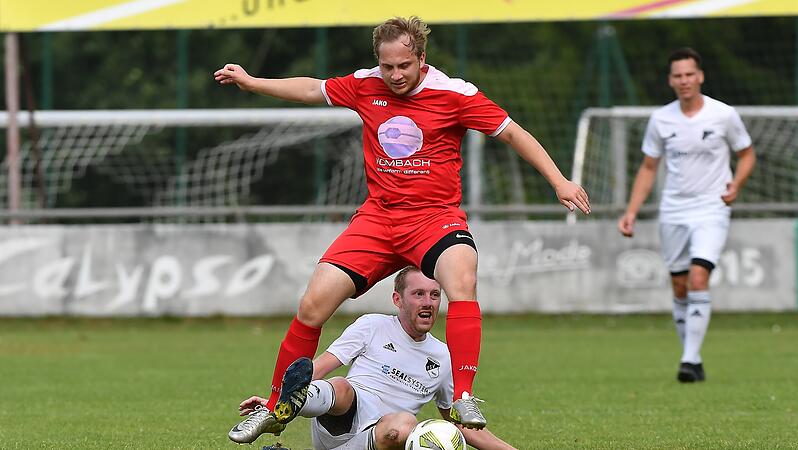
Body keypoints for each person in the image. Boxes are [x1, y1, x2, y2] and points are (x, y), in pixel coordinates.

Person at [215, 16, 590, 437]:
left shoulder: (454, 93)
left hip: (433, 217)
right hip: (378, 217)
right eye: (387, 66)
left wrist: (559, 181)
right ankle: (275, 405)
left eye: (403, 67)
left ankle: (463, 395)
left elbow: (513, 134)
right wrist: (253, 81)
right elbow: (311, 88)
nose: (394, 75)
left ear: (421, 59)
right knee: (312, 304)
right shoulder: (365, 83)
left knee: (462, 276)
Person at [231, 266, 516, 449]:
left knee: (406, 424)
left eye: (434, 294)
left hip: (382, 436)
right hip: (339, 420)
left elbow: (458, 423)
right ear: (398, 300)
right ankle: (287, 407)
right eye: (418, 294)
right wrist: (276, 399)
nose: (428, 302)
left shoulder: (444, 356)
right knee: (341, 386)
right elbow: (320, 366)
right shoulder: (372, 325)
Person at [617, 47, 756, 383]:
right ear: (670, 80)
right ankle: (691, 356)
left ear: (700, 76)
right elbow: (649, 167)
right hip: (674, 210)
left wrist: (736, 184)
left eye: (689, 74)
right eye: (678, 75)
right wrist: (631, 211)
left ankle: (689, 360)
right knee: (679, 286)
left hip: (712, 208)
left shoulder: (723, 114)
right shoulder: (661, 119)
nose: (684, 81)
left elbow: (748, 154)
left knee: (698, 278)